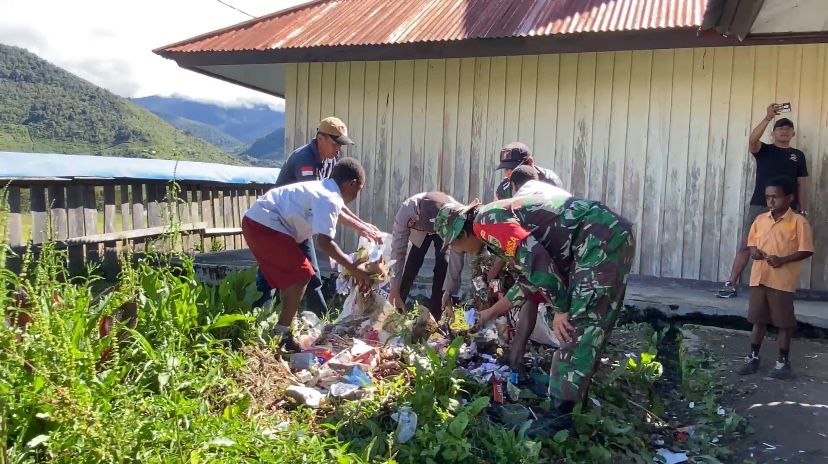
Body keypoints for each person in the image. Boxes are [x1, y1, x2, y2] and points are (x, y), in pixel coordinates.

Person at [434, 193, 635, 432]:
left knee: (578, 326)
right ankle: (571, 404)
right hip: (604, 236)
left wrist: (561, 307)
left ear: (462, 234)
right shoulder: (491, 222)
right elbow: (530, 280)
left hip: (599, 240)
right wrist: (489, 314)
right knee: (589, 327)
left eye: (456, 246)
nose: (463, 252)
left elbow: (537, 260)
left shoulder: (487, 224)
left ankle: (558, 420)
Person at [242, 158, 372, 352]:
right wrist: (353, 269)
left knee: (294, 277)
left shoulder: (325, 189)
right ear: (351, 184)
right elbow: (324, 243)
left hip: (262, 222)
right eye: (358, 190)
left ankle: (284, 326)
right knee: (302, 274)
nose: (356, 195)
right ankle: (281, 334)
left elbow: (336, 213)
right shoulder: (329, 197)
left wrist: (362, 227)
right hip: (264, 225)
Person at [254, 116, 381, 313]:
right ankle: (259, 317)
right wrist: (360, 227)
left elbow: (334, 199)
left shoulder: (330, 161)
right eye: (335, 143)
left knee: (307, 272)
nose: (338, 149)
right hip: (277, 221)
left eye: (341, 145)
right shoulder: (305, 160)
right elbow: (325, 203)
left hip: (297, 224)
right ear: (320, 138)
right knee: (277, 273)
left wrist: (361, 224)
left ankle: (312, 318)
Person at [440, 143, 565, 312]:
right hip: (518, 247)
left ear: (529, 162)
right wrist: (494, 269)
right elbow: (509, 239)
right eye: (505, 169)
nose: (508, 174)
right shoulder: (504, 189)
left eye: (512, 168)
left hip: (546, 245)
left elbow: (538, 239)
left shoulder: (549, 182)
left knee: (538, 285)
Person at [718, 105, 809, 298]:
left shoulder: (798, 155)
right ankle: (731, 284)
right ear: (773, 133)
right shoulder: (764, 150)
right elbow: (752, 140)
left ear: (793, 133)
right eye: (780, 128)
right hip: (760, 203)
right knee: (747, 244)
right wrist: (768, 117)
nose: (784, 131)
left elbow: (802, 183)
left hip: (788, 208)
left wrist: (803, 208)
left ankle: (779, 289)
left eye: (788, 129)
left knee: (784, 247)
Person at [736, 176, 813, 379]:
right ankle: (753, 357)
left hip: (782, 281)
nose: (771, 201)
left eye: (776, 197)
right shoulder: (760, 220)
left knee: (783, 323)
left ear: (789, 198)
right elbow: (751, 243)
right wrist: (754, 252)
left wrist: (783, 260)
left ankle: (783, 362)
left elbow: (806, 250)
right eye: (768, 197)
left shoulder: (798, 222)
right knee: (758, 320)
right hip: (759, 277)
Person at [387, 191, 463, 318]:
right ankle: (397, 308)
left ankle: (438, 313)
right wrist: (394, 289)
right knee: (410, 264)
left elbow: (457, 254)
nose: (431, 234)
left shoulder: (455, 213)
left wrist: (449, 291)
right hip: (419, 227)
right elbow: (398, 251)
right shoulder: (406, 211)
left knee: (443, 264)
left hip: (444, 226)